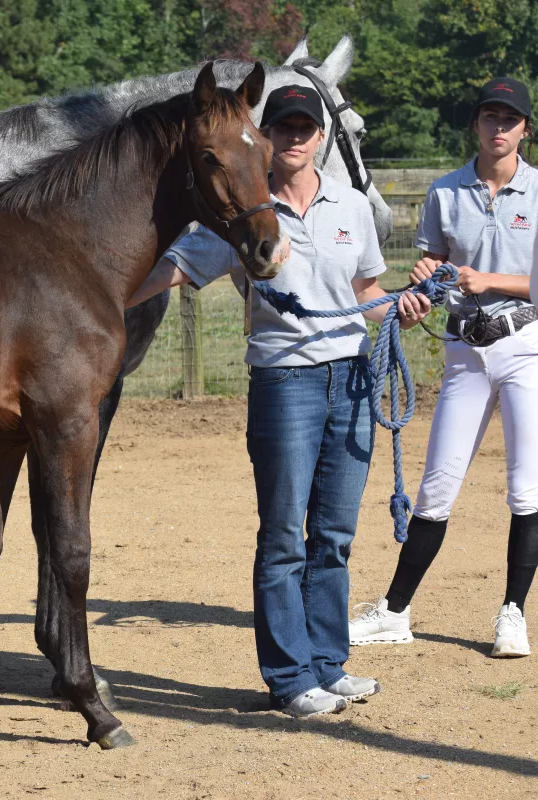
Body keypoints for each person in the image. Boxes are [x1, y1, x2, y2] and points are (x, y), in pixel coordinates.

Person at [128, 85, 432, 716]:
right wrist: (107, 297)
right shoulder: (247, 210)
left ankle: (328, 663)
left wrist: (399, 308)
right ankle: (291, 678)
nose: (295, 139)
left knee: (334, 535)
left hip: (350, 378)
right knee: (283, 539)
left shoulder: (350, 206)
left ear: (320, 137)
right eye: (284, 129)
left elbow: (365, 288)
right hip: (285, 382)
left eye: (305, 129)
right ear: (270, 139)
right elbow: (176, 268)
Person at [350, 78, 538, 657]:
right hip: (463, 350)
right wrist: (419, 290)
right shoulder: (444, 192)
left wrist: (490, 281)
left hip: (525, 344)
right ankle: (397, 611)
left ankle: (512, 613)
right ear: (476, 125)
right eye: (489, 116)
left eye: (510, 118)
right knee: (436, 487)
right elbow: (433, 269)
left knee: (526, 488)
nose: (499, 127)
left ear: (525, 129)